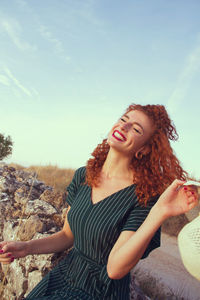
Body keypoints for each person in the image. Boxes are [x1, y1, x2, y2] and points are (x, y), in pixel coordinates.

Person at [0, 104, 198, 300]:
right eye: (123, 120)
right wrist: (24, 248)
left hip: (100, 290)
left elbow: (114, 269)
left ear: (144, 149)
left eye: (136, 129)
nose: (124, 127)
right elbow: (67, 236)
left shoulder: (144, 196)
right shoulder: (83, 175)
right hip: (64, 274)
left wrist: (159, 212)